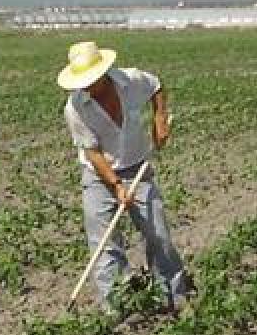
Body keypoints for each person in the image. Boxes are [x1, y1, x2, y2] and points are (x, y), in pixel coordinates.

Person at [58, 41, 190, 312]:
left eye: (92, 80)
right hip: (98, 174)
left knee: (158, 234)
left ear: (103, 72)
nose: (88, 86)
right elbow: (93, 153)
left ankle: (173, 296)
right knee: (103, 241)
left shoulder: (130, 81)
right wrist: (117, 186)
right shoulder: (75, 108)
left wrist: (160, 118)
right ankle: (116, 305)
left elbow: (156, 86)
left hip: (137, 166)